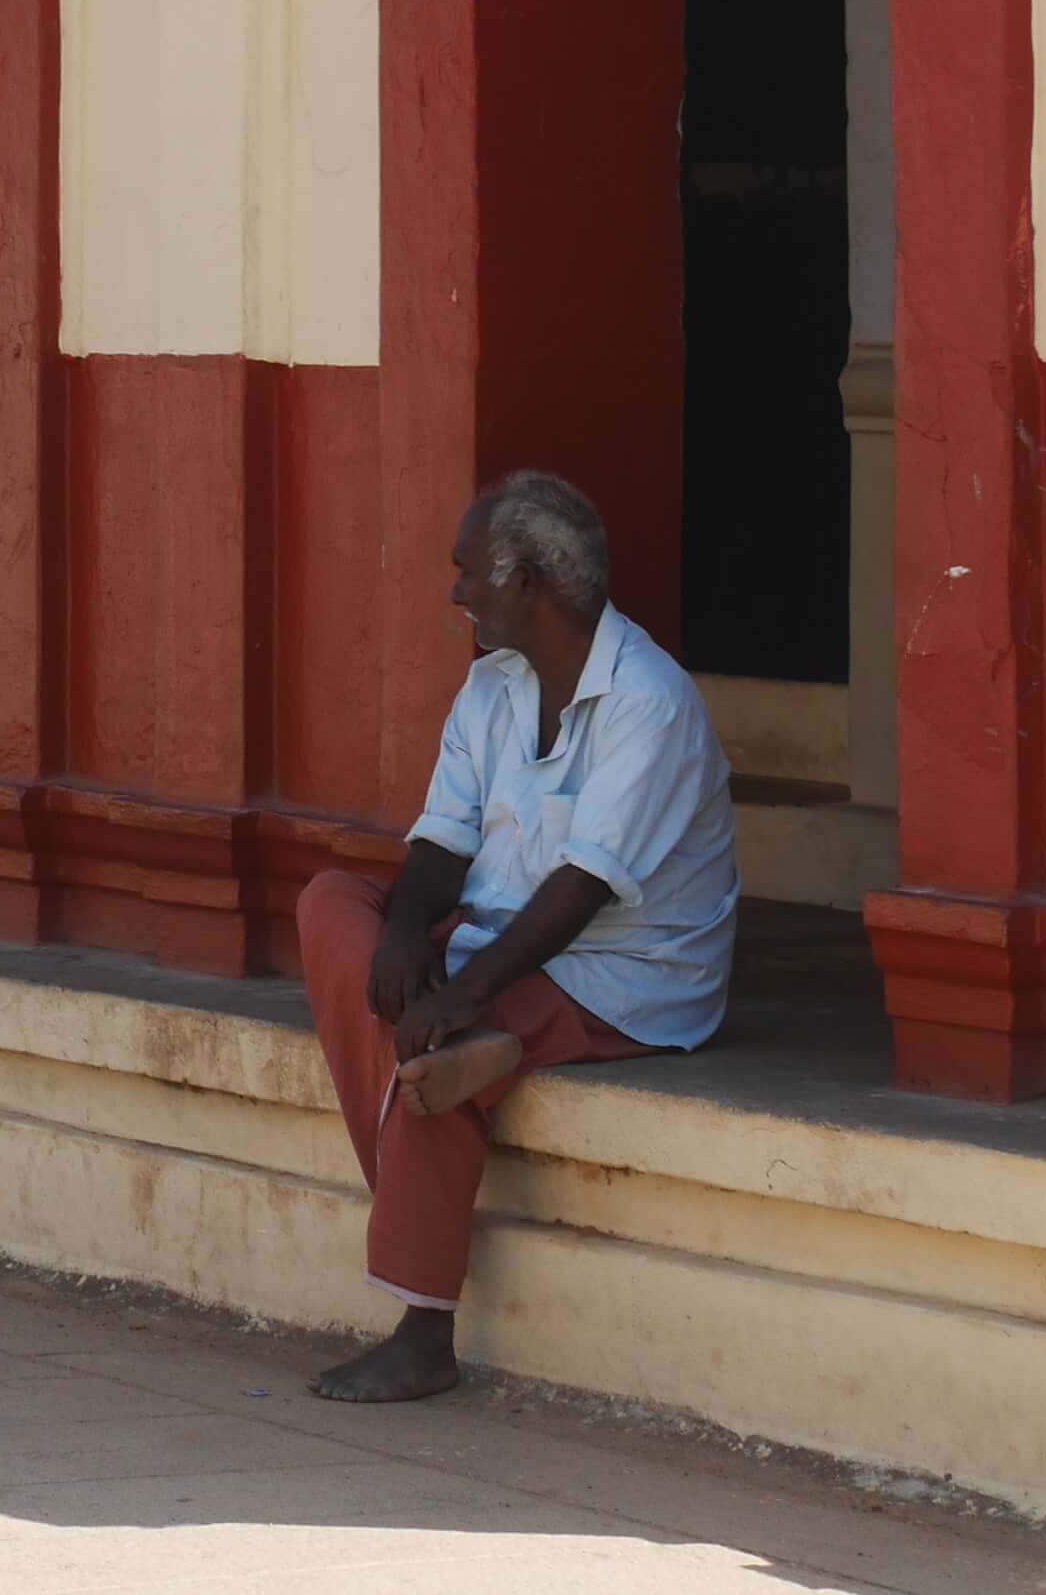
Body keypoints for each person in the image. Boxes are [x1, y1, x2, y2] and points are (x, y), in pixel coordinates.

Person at [300, 468, 737, 1405]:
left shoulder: (648, 703)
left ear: (528, 580)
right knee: (333, 904)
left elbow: (580, 893)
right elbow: (441, 843)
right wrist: (405, 936)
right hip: (493, 942)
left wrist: (461, 995)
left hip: (617, 971)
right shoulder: (491, 688)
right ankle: (464, 1056)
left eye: (469, 571)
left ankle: (423, 1336)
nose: (456, 592)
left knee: (444, 1051)